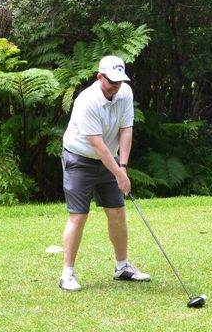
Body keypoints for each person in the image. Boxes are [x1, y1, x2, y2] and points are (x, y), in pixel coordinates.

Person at [59, 55, 151, 292]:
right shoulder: (86, 101)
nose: (116, 86)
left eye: (119, 81)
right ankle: (67, 274)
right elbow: (97, 144)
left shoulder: (125, 93)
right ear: (100, 77)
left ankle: (122, 267)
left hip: (110, 161)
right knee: (78, 216)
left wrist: (123, 167)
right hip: (80, 159)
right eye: (111, 81)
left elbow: (126, 130)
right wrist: (119, 174)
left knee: (117, 212)